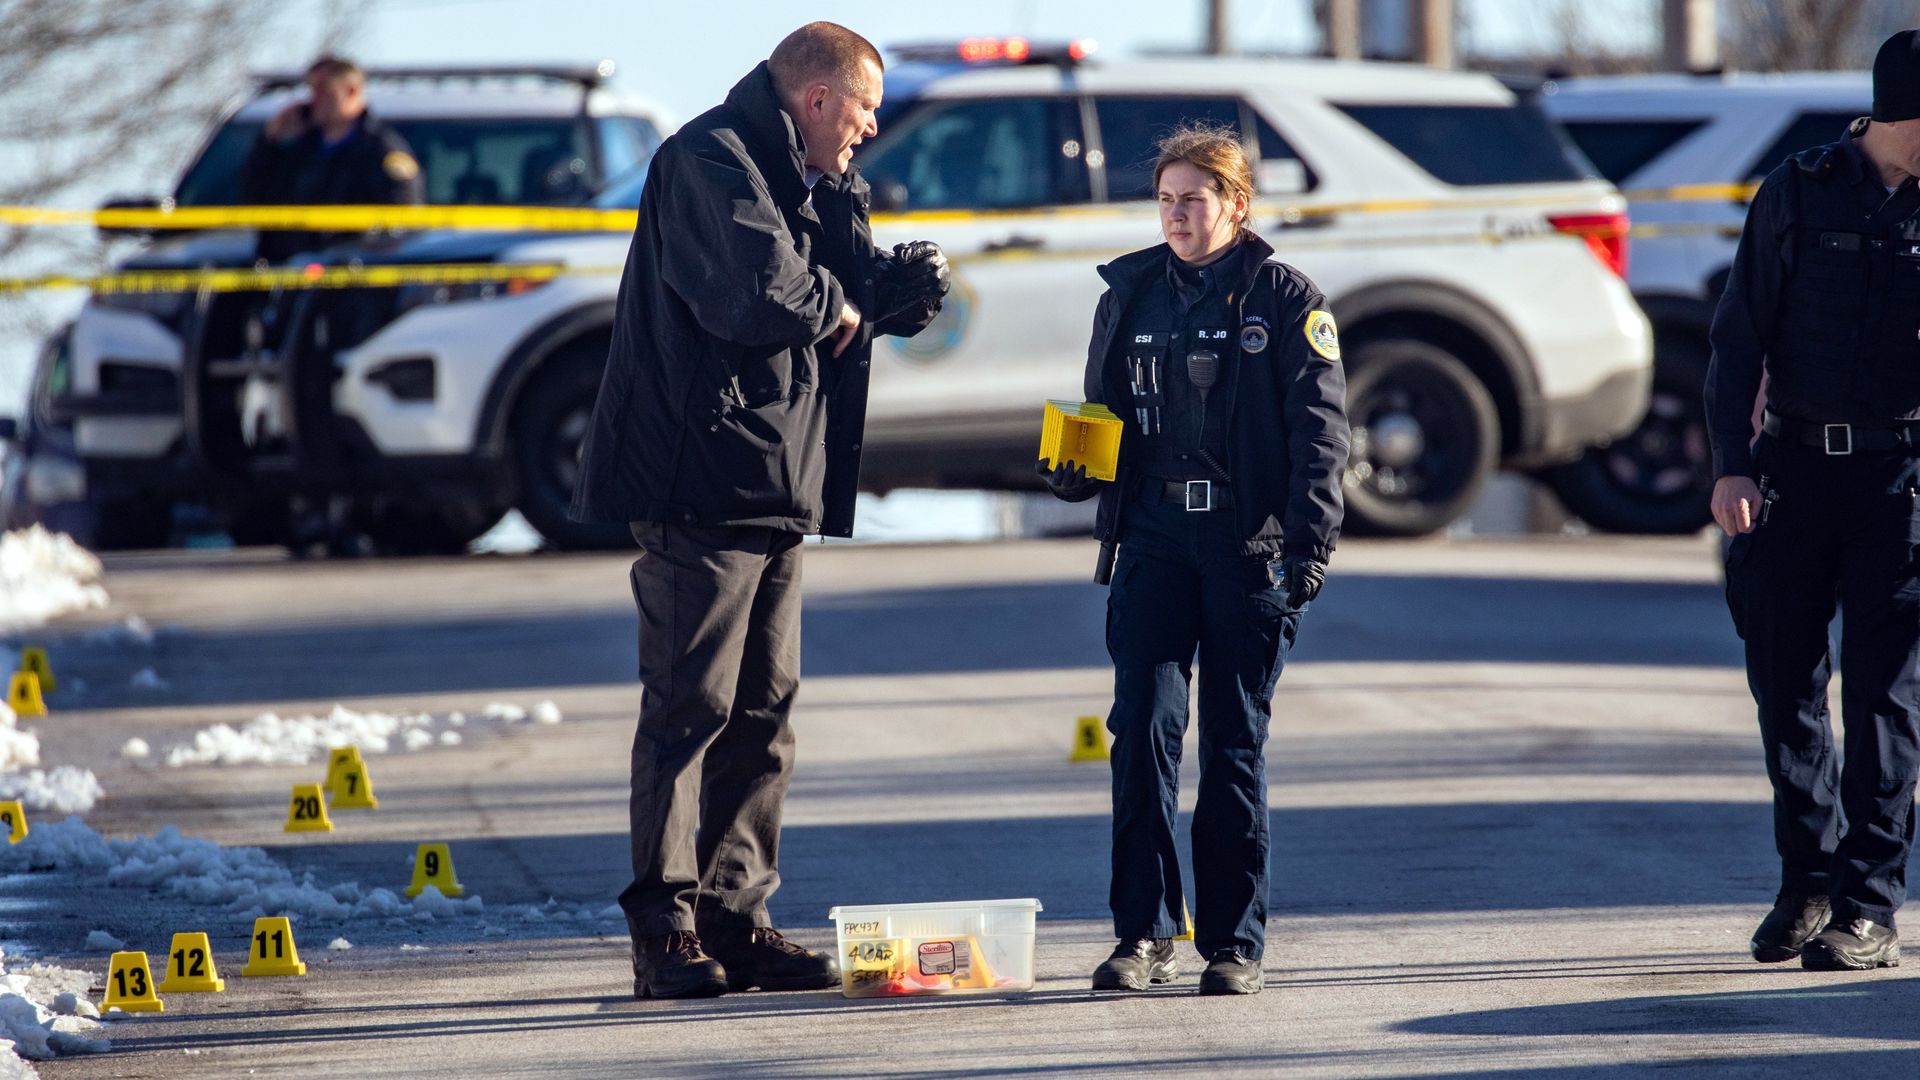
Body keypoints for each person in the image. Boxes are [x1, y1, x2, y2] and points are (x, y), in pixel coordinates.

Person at [569, 23, 948, 999]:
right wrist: (849, 306)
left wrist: (883, 295)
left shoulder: (803, 176)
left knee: (764, 715)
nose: (868, 133)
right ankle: (665, 930)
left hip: (774, 482)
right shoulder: (710, 159)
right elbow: (758, 290)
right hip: (698, 484)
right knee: (689, 708)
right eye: (863, 112)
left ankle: (736, 919)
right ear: (817, 99)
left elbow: (825, 296)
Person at [1040, 123, 1349, 995]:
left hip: (1248, 547)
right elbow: (1103, 415)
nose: (1176, 215)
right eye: (1166, 200)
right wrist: (1071, 473)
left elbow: (1320, 435)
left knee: (1233, 746)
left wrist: (1308, 545)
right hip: (1153, 540)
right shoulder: (1129, 293)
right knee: (1138, 731)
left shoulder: (1285, 297)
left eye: (1194, 200)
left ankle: (1233, 942)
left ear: (1237, 205)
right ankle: (1141, 936)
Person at [1706, 28, 1920, 972]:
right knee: (1787, 685)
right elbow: (1736, 338)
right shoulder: (1800, 189)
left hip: (1900, 484)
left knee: (1884, 699)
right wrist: (1730, 466)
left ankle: (1869, 904)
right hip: (1792, 474)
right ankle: (1810, 882)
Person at [238, 55, 425, 262]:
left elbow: (402, 215)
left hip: (351, 275)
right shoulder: (302, 148)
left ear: (351, 91)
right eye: (311, 91)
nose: (313, 100)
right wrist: (269, 141)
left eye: (323, 90)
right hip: (292, 269)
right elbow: (256, 195)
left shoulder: (381, 151)